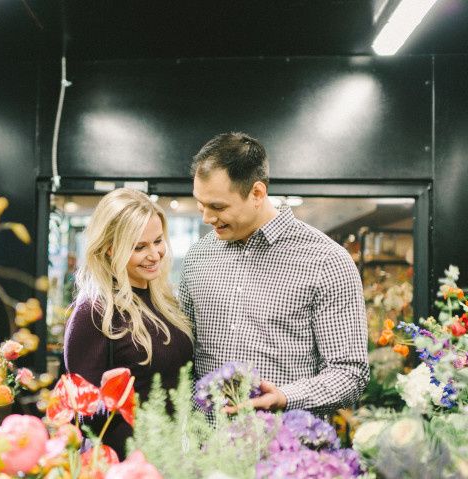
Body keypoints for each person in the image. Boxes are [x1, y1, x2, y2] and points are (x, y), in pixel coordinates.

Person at [179, 132, 368, 417]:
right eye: (200, 204)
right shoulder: (197, 258)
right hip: (209, 452)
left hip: (286, 451)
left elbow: (350, 373)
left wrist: (285, 397)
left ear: (257, 193)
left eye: (218, 206)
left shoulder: (326, 261)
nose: (206, 217)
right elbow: (183, 355)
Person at [64, 188, 194, 458]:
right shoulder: (94, 312)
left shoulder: (164, 301)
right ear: (110, 249)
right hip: (125, 463)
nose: (155, 254)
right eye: (139, 247)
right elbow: (82, 412)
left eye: (158, 241)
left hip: (171, 458)